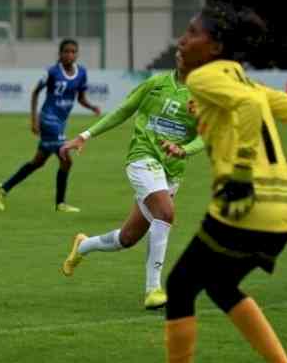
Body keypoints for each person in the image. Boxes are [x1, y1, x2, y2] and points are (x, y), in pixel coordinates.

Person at [164, 2, 287, 363]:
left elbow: (248, 106)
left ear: (215, 48)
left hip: (244, 206)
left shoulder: (206, 78)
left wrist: (241, 171)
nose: (183, 40)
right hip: (284, 214)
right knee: (220, 286)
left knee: (181, 286)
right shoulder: (245, 80)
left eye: (191, 32)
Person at [59, 51, 203, 310]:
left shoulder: (204, 95)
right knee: (166, 213)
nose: (183, 55)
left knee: (127, 238)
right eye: (180, 52)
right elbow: (124, 110)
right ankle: (153, 290)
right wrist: (86, 135)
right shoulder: (156, 83)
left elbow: (207, 135)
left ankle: (83, 246)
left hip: (172, 170)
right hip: (142, 157)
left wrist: (185, 150)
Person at [0, 39, 100, 213]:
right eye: (66, 51)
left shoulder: (81, 73)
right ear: (60, 54)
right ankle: (60, 204)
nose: (70, 55)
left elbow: (80, 98)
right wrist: (33, 120)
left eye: (73, 52)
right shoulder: (52, 72)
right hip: (49, 121)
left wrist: (91, 107)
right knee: (66, 159)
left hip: (61, 123)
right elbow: (35, 92)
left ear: (77, 54)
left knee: (38, 162)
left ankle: (3, 188)